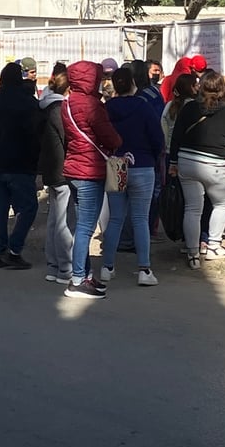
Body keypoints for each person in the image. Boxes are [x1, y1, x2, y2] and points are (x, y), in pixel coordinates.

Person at [62, 60, 122, 298]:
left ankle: (85, 275)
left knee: (81, 225)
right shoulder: (92, 105)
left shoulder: (67, 102)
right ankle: (77, 279)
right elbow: (111, 138)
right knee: (86, 228)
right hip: (90, 170)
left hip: (74, 168)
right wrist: (117, 142)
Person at [0, 62, 44, 270]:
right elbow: (38, 136)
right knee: (29, 207)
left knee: (0, 211)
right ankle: (14, 250)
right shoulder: (30, 104)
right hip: (22, 164)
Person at [169, 70, 225, 267]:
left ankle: (192, 253)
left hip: (187, 161)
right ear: (222, 89)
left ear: (200, 87)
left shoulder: (189, 108)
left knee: (192, 208)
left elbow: (176, 137)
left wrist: (173, 162)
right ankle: (214, 245)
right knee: (223, 204)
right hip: (215, 164)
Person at [103, 67, 165, 286]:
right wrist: (154, 157)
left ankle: (107, 267)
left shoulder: (107, 108)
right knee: (140, 219)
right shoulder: (144, 107)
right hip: (143, 165)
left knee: (115, 218)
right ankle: (144, 269)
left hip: (116, 166)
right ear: (132, 83)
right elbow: (158, 137)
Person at [38, 71, 72, 284]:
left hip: (49, 168)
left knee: (54, 219)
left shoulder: (43, 107)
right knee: (64, 220)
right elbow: (68, 139)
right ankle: (65, 267)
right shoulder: (60, 109)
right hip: (62, 169)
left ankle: (52, 265)